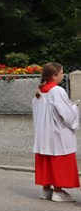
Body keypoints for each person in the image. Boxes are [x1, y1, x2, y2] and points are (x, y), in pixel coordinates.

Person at [32, 63, 79, 202]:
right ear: (54, 76)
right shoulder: (57, 91)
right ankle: (58, 191)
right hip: (58, 132)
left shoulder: (41, 90)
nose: (63, 75)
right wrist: (75, 109)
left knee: (46, 160)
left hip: (43, 133)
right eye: (61, 73)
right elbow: (66, 113)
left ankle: (46, 189)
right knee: (59, 160)